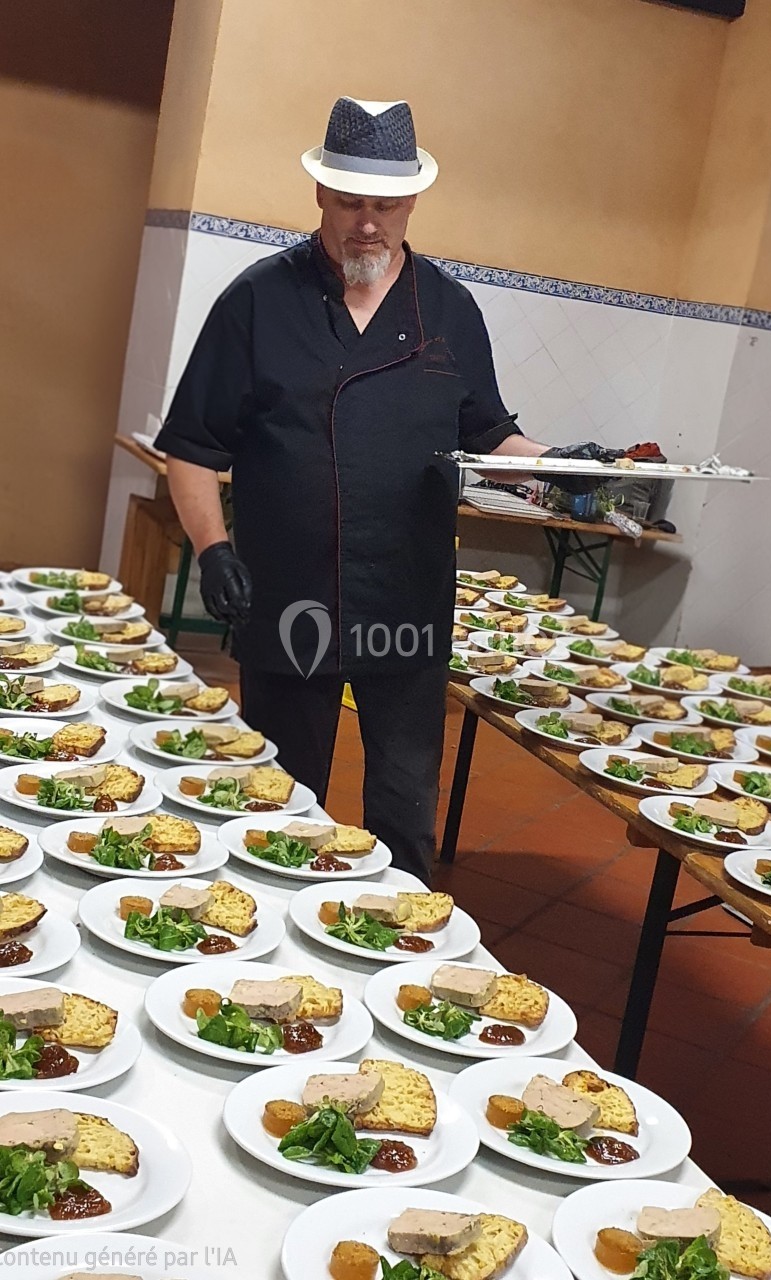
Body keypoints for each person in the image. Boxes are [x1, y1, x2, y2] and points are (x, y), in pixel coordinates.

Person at [156, 96, 590, 884]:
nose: (367, 222)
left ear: (411, 203)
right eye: (352, 201)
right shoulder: (258, 300)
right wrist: (214, 550)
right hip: (290, 592)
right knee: (280, 803)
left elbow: (490, 432)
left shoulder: (449, 310)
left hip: (405, 596)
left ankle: (402, 949)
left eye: (385, 205)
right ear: (320, 193)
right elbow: (188, 448)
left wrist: (568, 468)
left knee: (401, 806)